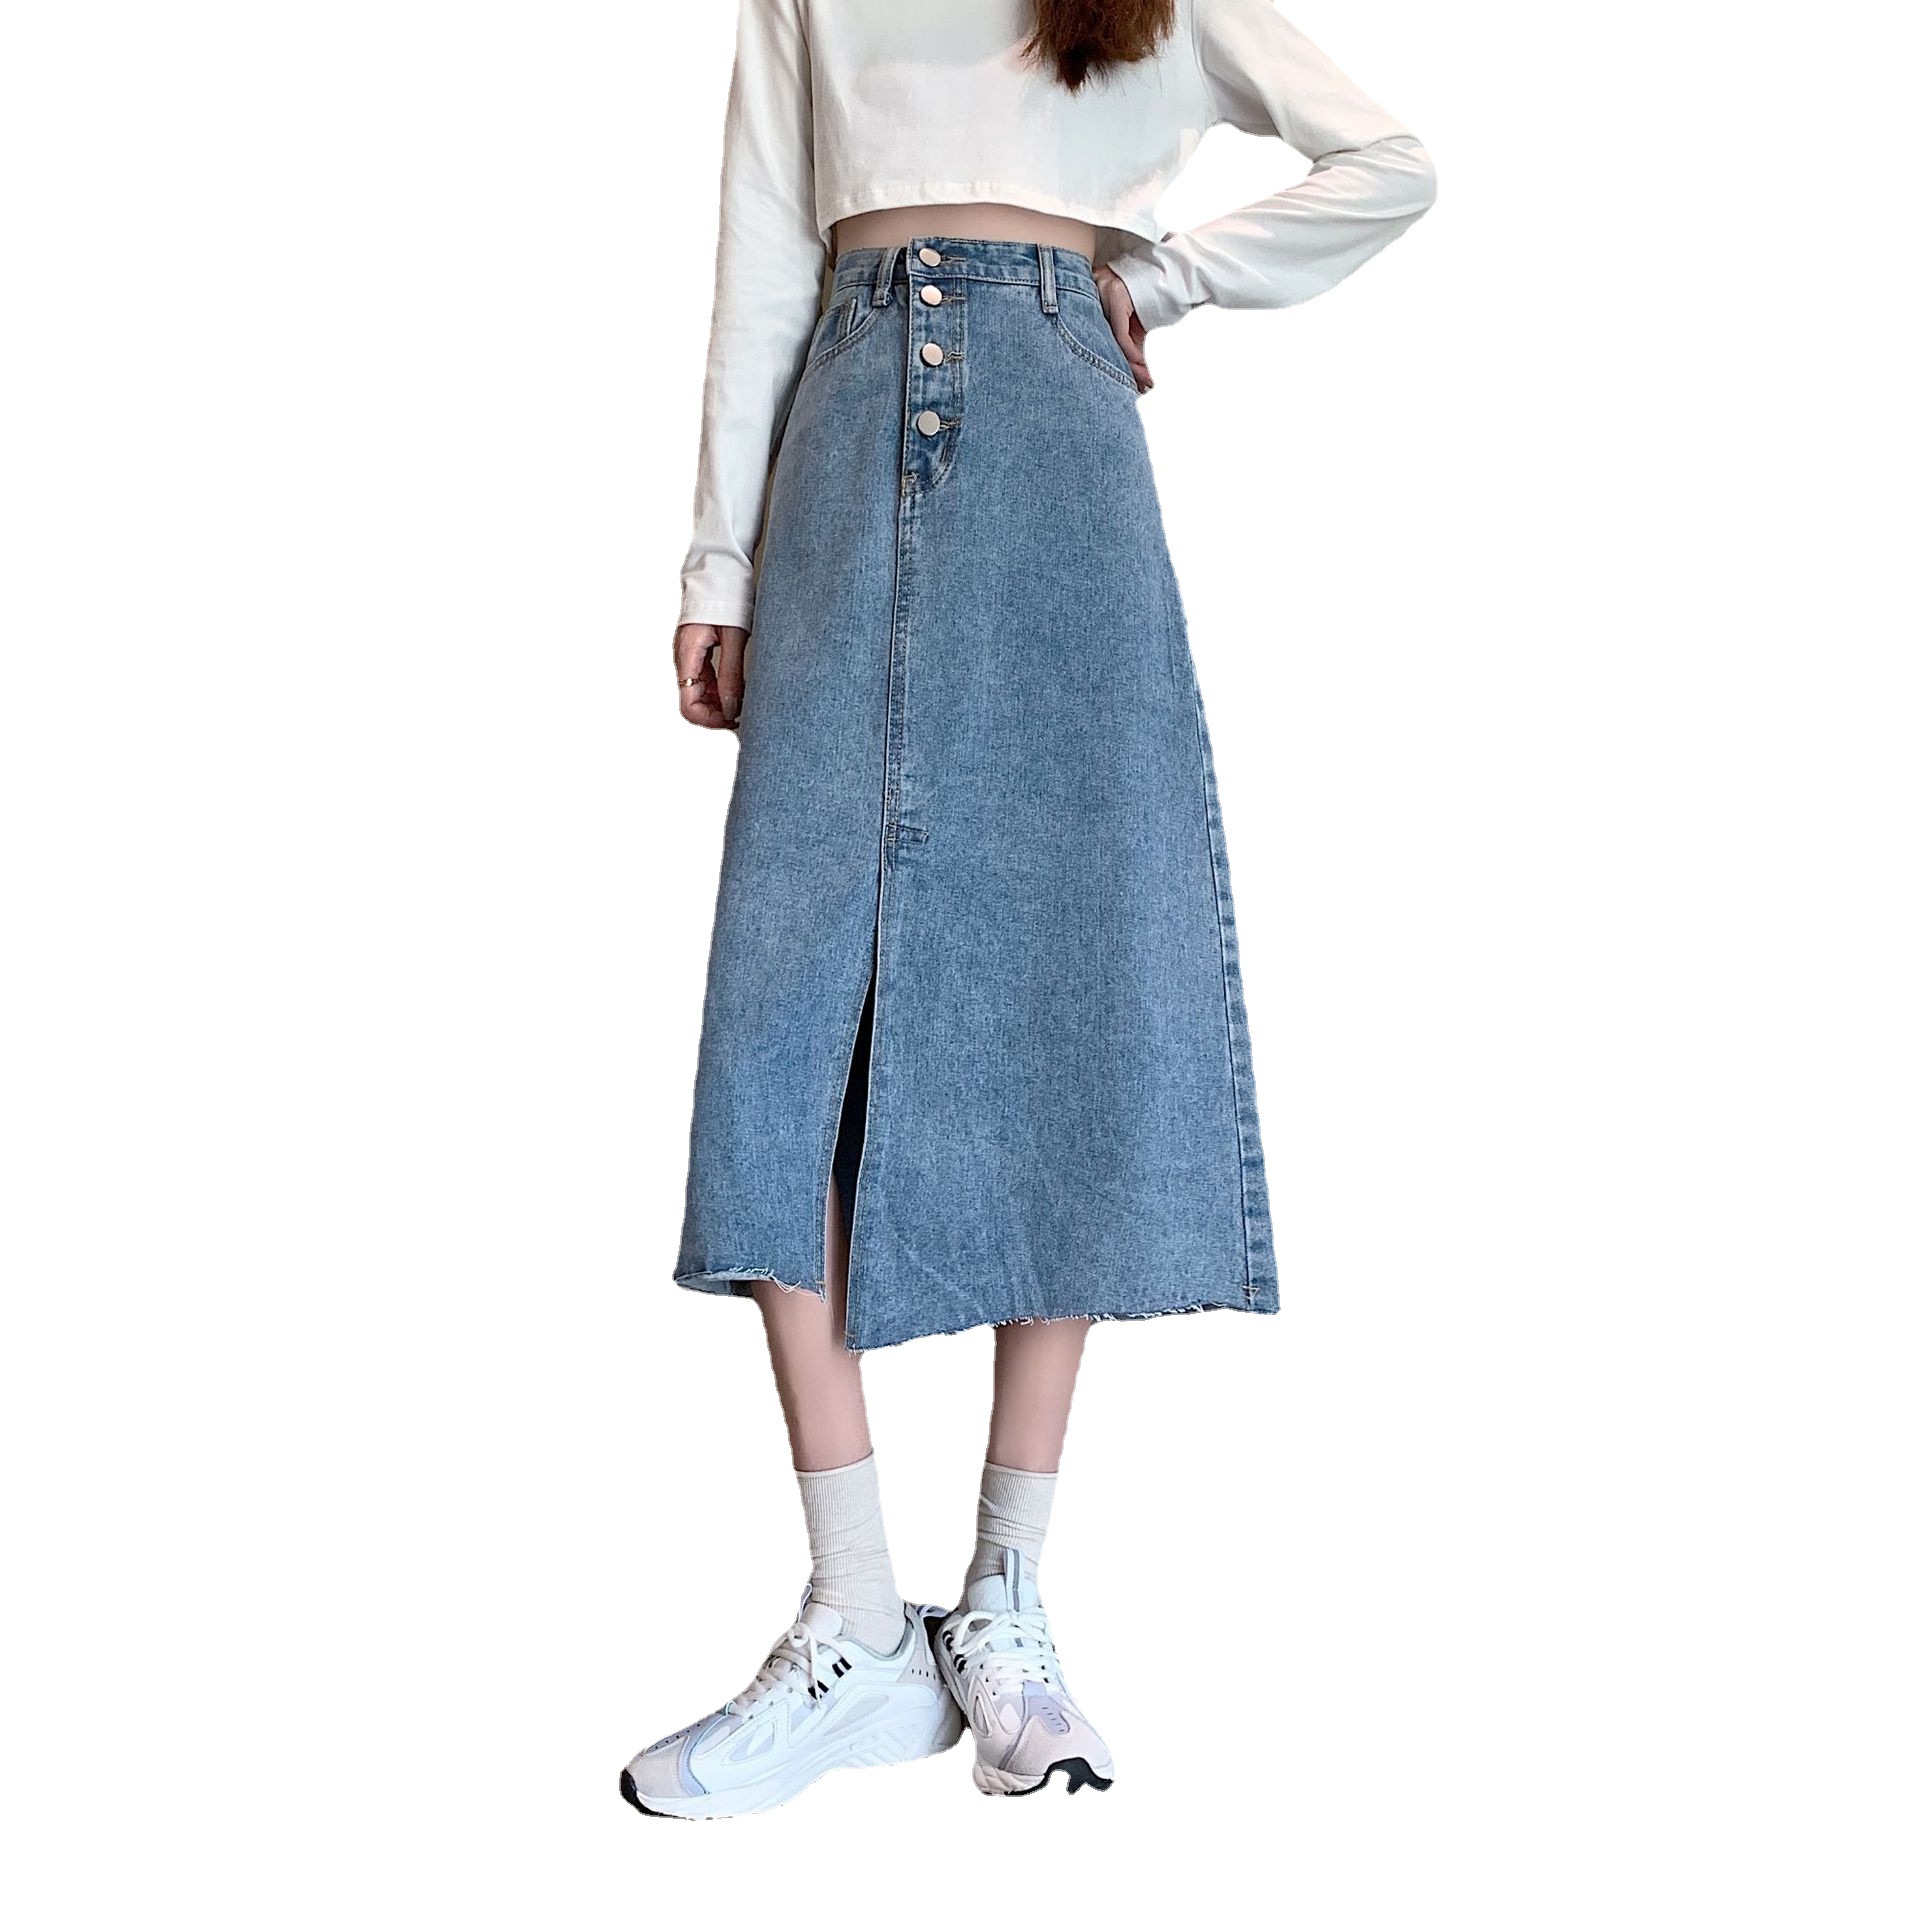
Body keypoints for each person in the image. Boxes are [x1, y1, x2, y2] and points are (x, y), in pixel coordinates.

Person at [623, 0, 1434, 1817]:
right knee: (790, 1014)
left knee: (1052, 982)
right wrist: (718, 559)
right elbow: (761, 257)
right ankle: (854, 1622)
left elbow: (1393, 163)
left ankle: (1005, 1603)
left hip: (1062, 455)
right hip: (841, 437)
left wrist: (1162, 280)